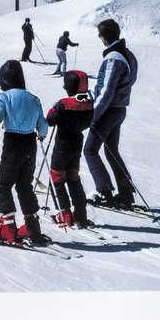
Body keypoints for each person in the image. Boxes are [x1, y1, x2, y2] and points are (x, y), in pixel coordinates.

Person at [0, 60, 50, 245]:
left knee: (2, 185)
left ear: (4, 81)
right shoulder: (34, 98)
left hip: (13, 143)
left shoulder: (4, 97)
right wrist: (42, 135)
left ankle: (7, 228)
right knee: (24, 185)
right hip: (30, 143)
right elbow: (43, 126)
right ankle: (32, 226)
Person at [83, 18, 139, 209]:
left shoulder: (113, 58)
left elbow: (106, 91)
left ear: (103, 38)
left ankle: (105, 191)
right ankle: (125, 192)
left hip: (107, 111)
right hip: (120, 109)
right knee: (111, 150)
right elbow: (129, 80)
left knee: (90, 149)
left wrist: (92, 115)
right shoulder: (128, 54)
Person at [45, 70, 95, 229]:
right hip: (77, 143)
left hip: (63, 144)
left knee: (57, 178)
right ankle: (81, 214)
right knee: (73, 177)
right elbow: (88, 122)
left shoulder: (64, 103)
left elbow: (50, 121)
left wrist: (54, 109)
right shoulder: (89, 103)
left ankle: (64, 214)